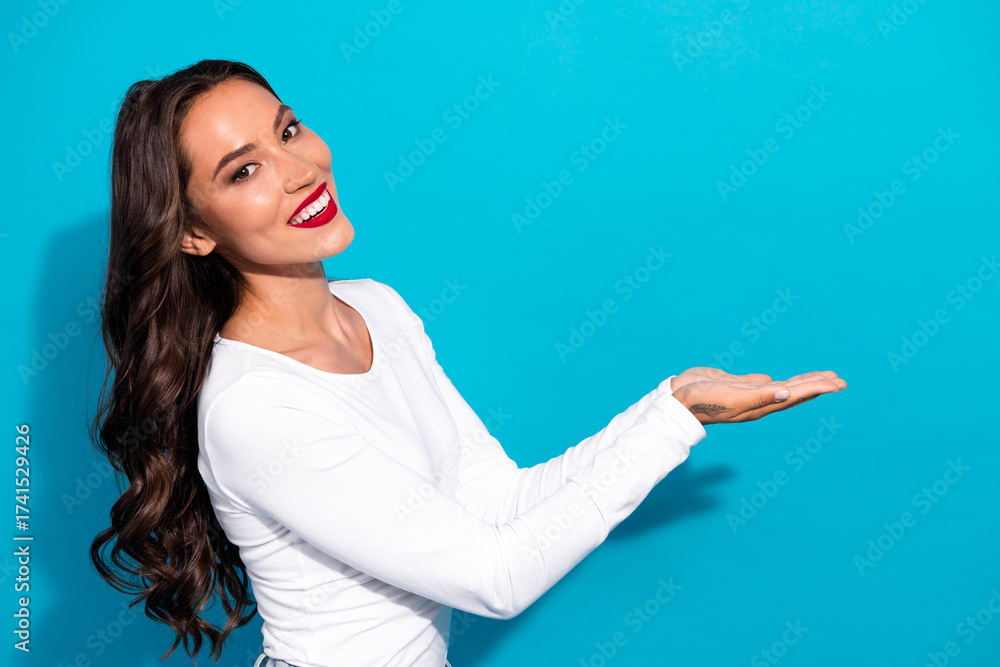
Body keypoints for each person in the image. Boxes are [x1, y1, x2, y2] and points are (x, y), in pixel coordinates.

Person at [88, 59, 846, 667]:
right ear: (192, 233)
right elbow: (495, 576)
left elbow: (493, 500)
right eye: (243, 171)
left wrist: (673, 401)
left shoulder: (377, 307)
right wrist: (672, 423)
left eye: (288, 130)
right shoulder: (254, 407)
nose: (298, 169)